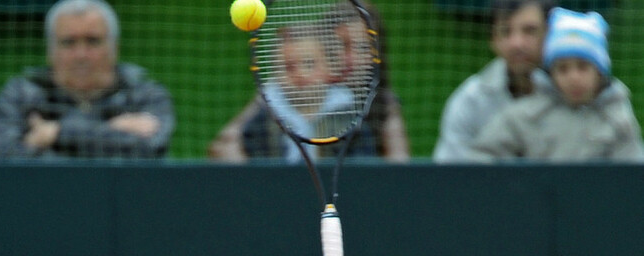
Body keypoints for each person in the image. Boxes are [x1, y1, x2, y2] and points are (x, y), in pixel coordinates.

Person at [208, 1, 409, 162]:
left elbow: (399, 169)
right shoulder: (277, 96)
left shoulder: (384, 105)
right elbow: (223, 145)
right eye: (341, 45)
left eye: (363, 49)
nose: (349, 59)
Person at [0, 0, 175, 160]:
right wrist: (111, 130)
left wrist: (56, 133)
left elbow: (152, 148)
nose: (81, 54)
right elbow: (2, 157)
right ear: (50, 51)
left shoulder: (145, 94)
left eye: (92, 41)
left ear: (114, 47)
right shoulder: (21, 94)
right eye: (69, 42)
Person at [471, 7, 644, 161]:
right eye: (563, 69)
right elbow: (482, 159)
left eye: (583, 67)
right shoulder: (524, 116)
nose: (573, 77)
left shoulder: (617, 118)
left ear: (599, 72)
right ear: (551, 74)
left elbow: (633, 174)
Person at [433, 0, 551, 162]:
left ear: (549, 33)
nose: (517, 43)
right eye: (505, 32)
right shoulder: (469, 101)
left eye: (529, 31)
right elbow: (449, 175)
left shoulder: (567, 95)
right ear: (493, 39)